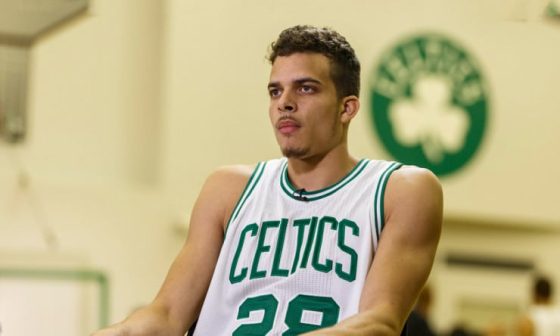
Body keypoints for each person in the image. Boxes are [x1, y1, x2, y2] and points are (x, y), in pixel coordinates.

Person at [92, 25, 442, 336]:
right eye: (275, 91)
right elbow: (166, 315)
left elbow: (379, 321)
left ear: (347, 108)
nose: (284, 104)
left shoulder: (401, 190)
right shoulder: (228, 189)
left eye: (305, 89)